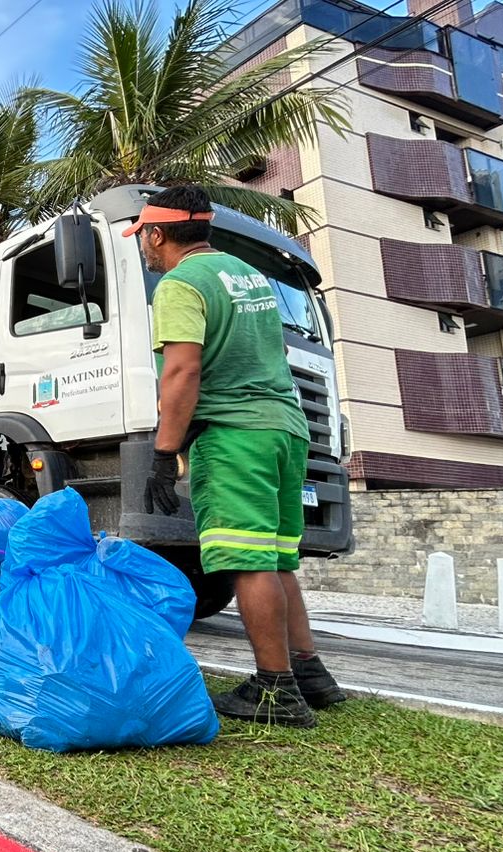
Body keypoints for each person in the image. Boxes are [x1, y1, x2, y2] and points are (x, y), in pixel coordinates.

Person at [130, 185, 346, 728]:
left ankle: (276, 692)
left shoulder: (178, 284)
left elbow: (182, 372)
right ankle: (309, 672)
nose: (144, 250)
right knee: (276, 557)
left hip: (235, 434)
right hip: (286, 431)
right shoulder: (246, 274)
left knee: (246, 560)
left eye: (144, 239)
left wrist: (164, 451)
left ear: (158, 234)